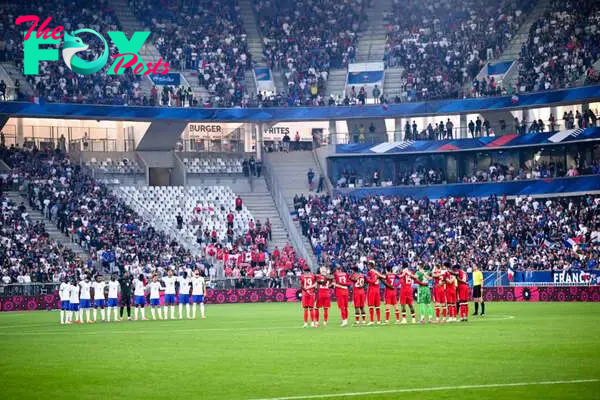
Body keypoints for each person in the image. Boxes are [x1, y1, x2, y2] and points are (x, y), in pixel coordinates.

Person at [366, 261, 383, 325]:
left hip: (372, 290)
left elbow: (372, 281)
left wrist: (366, 279)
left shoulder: (370, 272)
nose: (367, 267)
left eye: (368, 265)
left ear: (370, 266)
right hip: (377, 290)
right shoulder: (377, 272)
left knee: (371, 306)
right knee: (377, 306)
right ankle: (378, 321)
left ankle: (372, 321)